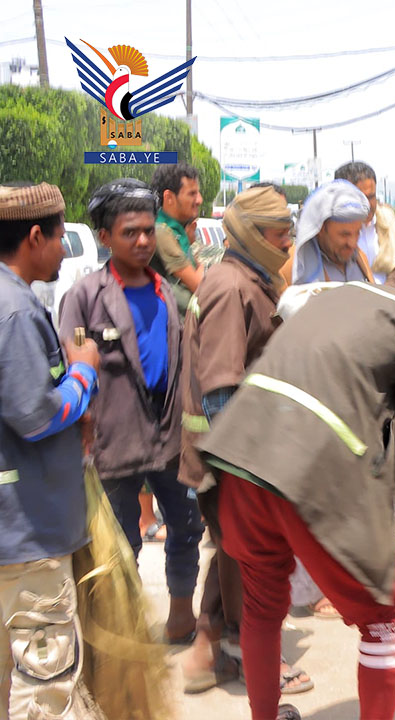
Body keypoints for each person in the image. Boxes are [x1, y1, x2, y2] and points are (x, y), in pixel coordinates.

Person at [198, 266, 395, 720]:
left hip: (240, 455)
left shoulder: (347, 294)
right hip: (312, 473)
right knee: (385, 618)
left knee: (262, 607)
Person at [176, 187, 312, 697]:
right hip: (228, 452)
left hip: (234, 448)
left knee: (232, 550)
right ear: (254, 235)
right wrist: (245, 469)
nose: (287, 243)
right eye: (280, 235)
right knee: (251, 554)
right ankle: (250, 654)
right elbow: (220, 387)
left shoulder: (247, 279)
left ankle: (208, 652)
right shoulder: (231, 287)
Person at [59, 179, 203, 645]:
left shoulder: (165, 291)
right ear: (104, 237)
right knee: (122, 544)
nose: (142, 241)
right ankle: (130, 631)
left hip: (167, 439)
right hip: (113, 441)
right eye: (129, 233)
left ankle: (181, 615)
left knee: (187, 526)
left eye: (146, 231)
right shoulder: (84, 296)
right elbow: (75, 353)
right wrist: (82, 415)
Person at [0, 182, 100, 719]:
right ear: (34, 236)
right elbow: (36, 416)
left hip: (13, 535)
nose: (65, 250)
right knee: (43, 688)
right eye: (61, 237)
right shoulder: (13, 310)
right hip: (26, 540)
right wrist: (83, 372)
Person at [333, 161, 395, 284]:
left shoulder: (391, 223)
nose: (367, 205)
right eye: (360, 198)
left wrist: (389, 291)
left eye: (371, 197)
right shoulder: (330, 234)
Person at [287, 179, 373, 284]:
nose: (352, 243)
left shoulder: (360, 259)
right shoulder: (293, 266)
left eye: (357, 233)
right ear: (321, 229)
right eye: (344, 234)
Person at [150, 163, 205, 313]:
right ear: (169, 197)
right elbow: (200, 286)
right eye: (192, 194)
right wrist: (202, 265)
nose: (199, 200)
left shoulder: (178, 231)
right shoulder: (162, 232)